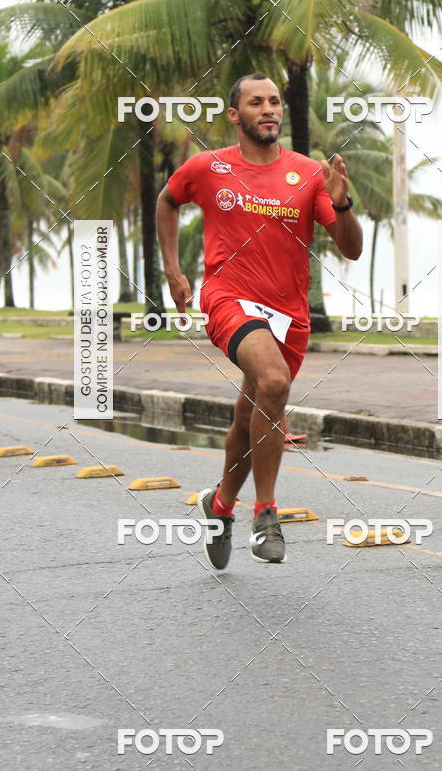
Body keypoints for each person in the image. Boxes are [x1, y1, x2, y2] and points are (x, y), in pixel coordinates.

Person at [156, 73, 363, 569]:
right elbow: (167, 200)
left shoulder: (310, 174)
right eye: (256, 102)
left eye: (274, 101)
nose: (269, 109)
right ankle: (266, 513)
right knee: (272, 380)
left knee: (250, 417)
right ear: (236, 115)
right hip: (228, 299)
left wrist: (342, 201)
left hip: (288, 316)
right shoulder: (208, 168)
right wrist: (173, 269)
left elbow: (351, 249)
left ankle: (219, 505)